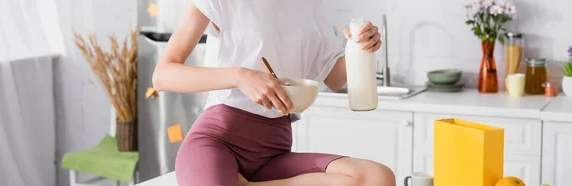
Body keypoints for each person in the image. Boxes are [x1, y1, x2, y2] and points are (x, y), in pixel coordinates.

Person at [152, 1, 394, 186]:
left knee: (378, 177)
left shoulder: (310, 6)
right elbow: (162, 75)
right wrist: (240, 76)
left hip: (274, 152)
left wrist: (360, 46)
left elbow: (334, 77)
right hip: (218, 142)